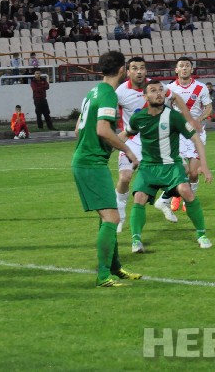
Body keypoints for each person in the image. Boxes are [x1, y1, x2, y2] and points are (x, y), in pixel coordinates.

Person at [71, 50, 141, 287]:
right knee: (111, 217)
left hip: (88, 160)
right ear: (122, 70)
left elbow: (78, 129)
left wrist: (118, 137)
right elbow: (102, 129)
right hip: (91, 164)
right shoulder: (110, 94)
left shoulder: (92, 92)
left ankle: (115, 267)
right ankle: (103, 276)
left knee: (107, 217)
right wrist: (129, 150)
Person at [121, 80, 213, 254]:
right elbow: (125, 135)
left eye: (161, 90)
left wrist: (205, 166)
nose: (159, 93)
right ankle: (136, 240)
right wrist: (105, 147)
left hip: (171, 165)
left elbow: (196, 139)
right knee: (139, 197)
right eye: (153, 90)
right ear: (145, 96)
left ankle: (201, 235)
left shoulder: (174, 116)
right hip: (148, 167)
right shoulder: (138, 117)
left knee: (186, 190)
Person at [113, 57, 198, 231]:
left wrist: (189, 119)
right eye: (134, 68)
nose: (139, 72)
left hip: (159, 143)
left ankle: (164, 201)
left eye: (142, 68)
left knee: (185, 172)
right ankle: (120, 215)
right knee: (124, 177)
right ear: (128, 72)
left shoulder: (156, 86)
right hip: (133, 141)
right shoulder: (121, 91)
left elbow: (177, 98)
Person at [159, 57, 212, 214]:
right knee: (183, 170)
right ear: (176, 70)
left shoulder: (200, 88)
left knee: (194, 173)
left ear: (191, 69)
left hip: (196, 133)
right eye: (181, 66)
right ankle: (177, 194)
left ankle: (189, 197)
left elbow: (209, 107)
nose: (184, 68)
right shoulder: (169, 89)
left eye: (187, 66)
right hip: (178, 134)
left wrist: (199, 119)